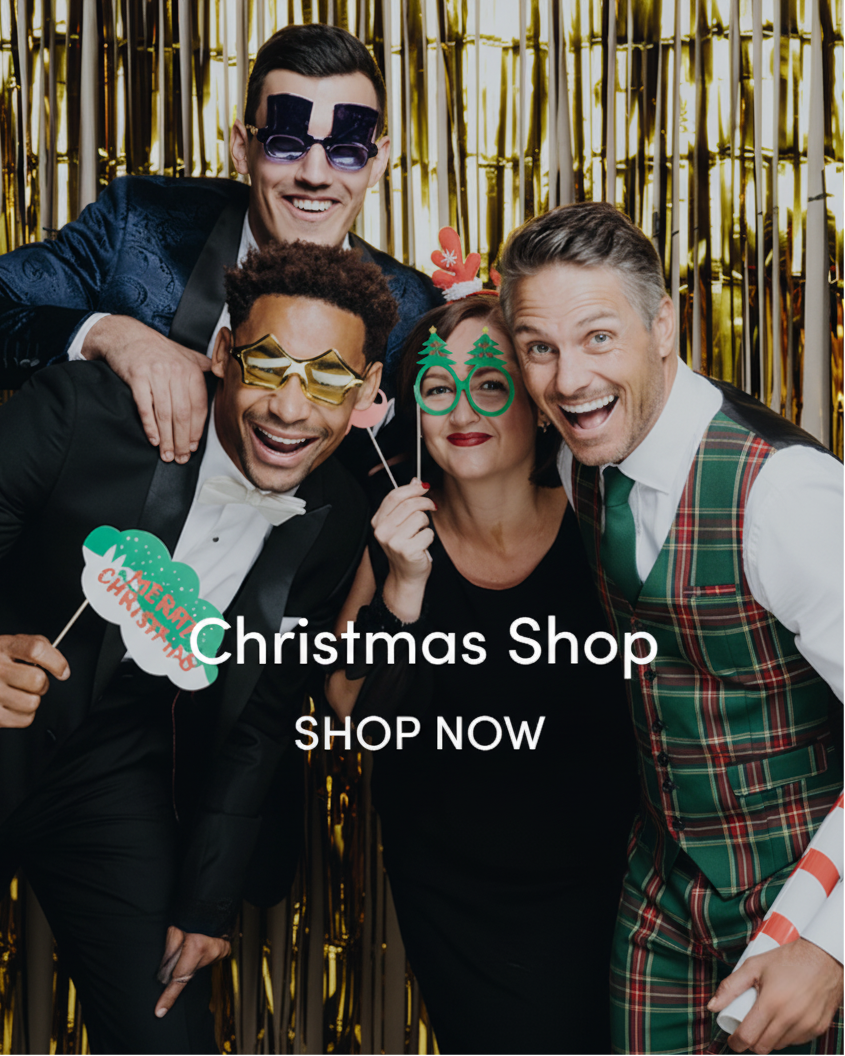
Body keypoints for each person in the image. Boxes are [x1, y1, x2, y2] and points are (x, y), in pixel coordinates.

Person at [0, 240, 398, 1054]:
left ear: (366, 393)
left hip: (111, 779)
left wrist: (206, 902)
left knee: (167, 1039)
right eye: (266, 366)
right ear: (221, 353)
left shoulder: (337, 515)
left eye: (327, 379)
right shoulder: (82, 412)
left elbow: (260, 724)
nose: (290, 408)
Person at [497, 200, 844, 1056]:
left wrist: (828, 946)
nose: (568, 380)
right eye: (539, 347)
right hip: (661, 893)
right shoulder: (587, 459)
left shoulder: (784, 499)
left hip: (802, 897)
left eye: (597, 338)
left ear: (663, 325)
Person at [326, 295, 637, 1055]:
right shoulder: (394, 525)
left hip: (612, 883)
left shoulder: (601, 521)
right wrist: (401, 587)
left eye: (491, 384)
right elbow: (345, 710)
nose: (462, 408)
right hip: (455, 893)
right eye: (437, 388)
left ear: (535, 402)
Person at [0, 22, 441, 465]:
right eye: (286, 144)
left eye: (346, 151)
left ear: (378, 161)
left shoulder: (413, 309)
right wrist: (114, 335)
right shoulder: (139, 227)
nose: (315, 175)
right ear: (241, 147)